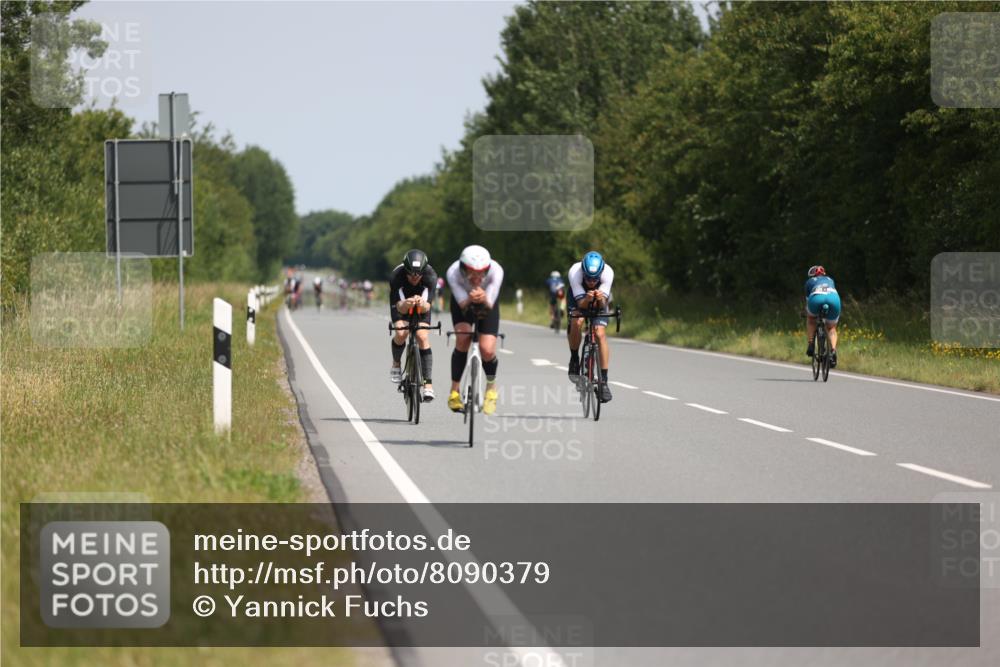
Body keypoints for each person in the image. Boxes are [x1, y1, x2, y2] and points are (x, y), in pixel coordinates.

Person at [445, 245, 504, 415]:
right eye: (472, 272)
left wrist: (484, 298)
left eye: (482, 272)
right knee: (463, 338)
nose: (477, 277)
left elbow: (489, 304)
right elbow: (463, 304)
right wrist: (471, 297)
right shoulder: (453, 272)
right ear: (463, 268)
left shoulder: (496, 271)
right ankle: (454, 391)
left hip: (487, 301)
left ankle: (491, 390)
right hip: (462, 301)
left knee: (487, 349)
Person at [388, 249, 438, 401]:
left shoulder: (430, 276)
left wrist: (421, 304)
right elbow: (400, 307)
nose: (415, 278)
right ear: (406, 270)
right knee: (401, 333)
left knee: (422, 336)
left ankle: (428, 385)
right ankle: (396, 363)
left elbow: (428, 306)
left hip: (422, 303)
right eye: (411, 274)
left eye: (418, 274)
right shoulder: (396, 276)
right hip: (401, 302)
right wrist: (407, 304)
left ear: (424, 271)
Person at [566, 251, 616, 403]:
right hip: (578, 299)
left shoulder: (608, 273)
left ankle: (604, 382)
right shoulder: (575, 272)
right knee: (577, 322)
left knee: (599, 333)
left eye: (595, 278)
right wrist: (587, 299)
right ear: (583, 272)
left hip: (599, 300)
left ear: (601, 273)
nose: (591, 281)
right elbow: (581, 304)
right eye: (588, 277)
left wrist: (600, 300)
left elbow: (603, 305)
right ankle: (574, 358)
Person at [804, 265, 841, 367]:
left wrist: (806, 313)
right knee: (831, 328)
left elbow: (808, 302)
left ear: (811, 275)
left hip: (816, 298)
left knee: (811, 320)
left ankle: (811, 343)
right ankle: (833, 351)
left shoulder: (809, 282)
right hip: (833, 298)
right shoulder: (830, 279)